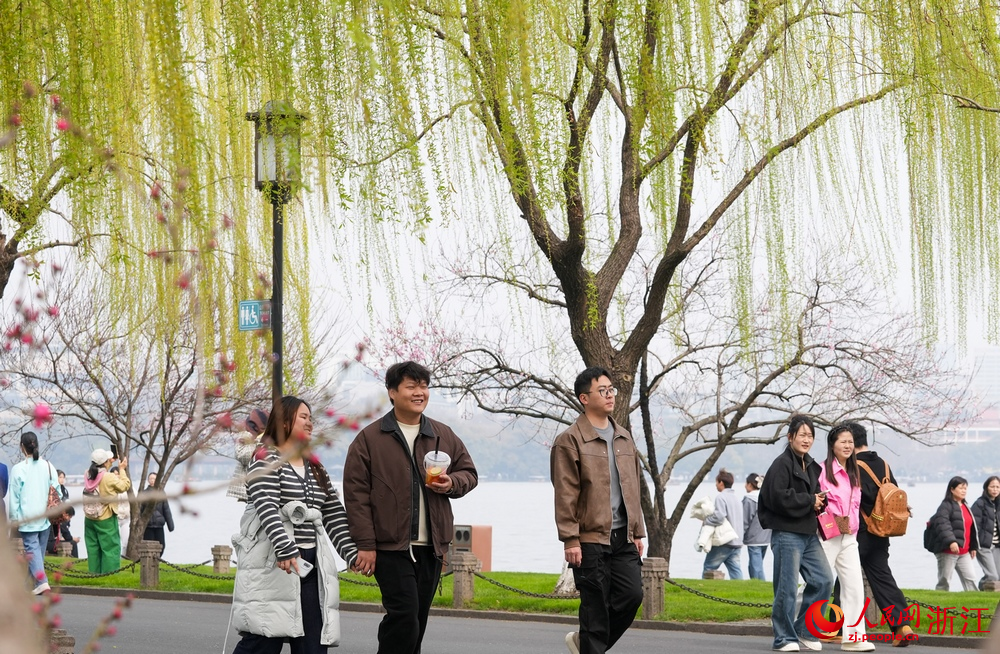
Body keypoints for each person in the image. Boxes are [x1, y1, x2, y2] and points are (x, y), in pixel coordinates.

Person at [344, 361, 479, 654]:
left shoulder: (441, 434)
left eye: (424, 386)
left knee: (416, 621)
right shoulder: (369, 439)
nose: (420, 392)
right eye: (411, 386)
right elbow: (355, 496)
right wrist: (365, 545)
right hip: (390, 547)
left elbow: (469, 473)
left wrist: (451, 483)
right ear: (392, 392)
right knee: (404, 616)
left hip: (431, 547)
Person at [231, 395, 358, 654]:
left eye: (311, 418)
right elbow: (266, 504)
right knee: (263, 641)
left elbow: (333, 512)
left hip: (310, 565)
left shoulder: (315, 466)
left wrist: (352, 553)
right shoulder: (265, 457)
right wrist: (284, 547)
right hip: (273, 564)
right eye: (303, 417)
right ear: (284, 421)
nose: (310, 423)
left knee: (313, 645)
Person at [550, 367, 645, 654]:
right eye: (602, 390)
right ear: (584, 398)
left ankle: (586, 644)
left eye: (611, 390)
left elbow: (633, 488)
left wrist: (638, 532)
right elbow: (565, 492)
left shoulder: (623, 437)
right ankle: (590, 643)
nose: (609, 395)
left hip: (623, 538)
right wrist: (570, 538)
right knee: (595, 608)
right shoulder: (570, 440)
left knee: (631, 596)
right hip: (589, 539)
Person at [758, 415, 834, 653]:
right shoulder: (781, 464)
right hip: (787, 533)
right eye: (802, 435)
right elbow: (776, 497)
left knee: (823, 580)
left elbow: (815, 494)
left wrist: (820, 500)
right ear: (790, 437)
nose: (806, 439)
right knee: (787, 587)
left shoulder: (811, 465)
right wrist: (809, 500)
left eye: (810, 435)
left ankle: (805, 630)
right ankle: (783, 637)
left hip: (808, 532)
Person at [849, 423, 915, 647]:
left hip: (859, 531)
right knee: (882, 577)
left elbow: (852, 500)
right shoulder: (884, 465)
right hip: (882, 531)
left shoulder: (852, 466)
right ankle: (901, 625)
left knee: (846, 577)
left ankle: (838, 627)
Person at [818, 425, 872, 652]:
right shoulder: (822, 470)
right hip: (828, 536)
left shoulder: (854, 472)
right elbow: (825, 504)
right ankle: (795, 625)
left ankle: (854, 638)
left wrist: (852, 528)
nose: (848, 446)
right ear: (832, 445)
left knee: (854, 587)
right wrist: (843, 525)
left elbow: (855, 506)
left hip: (849, 537)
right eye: (843, 442)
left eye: (850, 442)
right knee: (817, 583)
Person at [7, 431, 59, 594]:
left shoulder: (18, 469)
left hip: (27, 517)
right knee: (37, 553)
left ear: (22, 447)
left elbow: (14, 498)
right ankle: (29, 585)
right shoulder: (49, 466)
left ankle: (42, 582)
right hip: (45, 517)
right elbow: (58, 491)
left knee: (33, 551)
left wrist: (14, 518)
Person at [83, 448, 131, 573]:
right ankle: (110, 573)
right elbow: (125, 485)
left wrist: (109, 463)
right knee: (110, 547)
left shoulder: (88, 473)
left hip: (89, 517)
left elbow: (100, 473)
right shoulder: (109, 477)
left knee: (93, 547)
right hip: (105, 517)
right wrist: (122, 469)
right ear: (105, 462)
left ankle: (94, 573)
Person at [927, 476, 979, 591]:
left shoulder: (966, 506)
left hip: (964, 552)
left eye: (965, 488)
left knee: (970, 579)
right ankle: (939, 604)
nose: (964, 491)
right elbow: (942, 524)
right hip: (947, 551)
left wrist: (973, 547)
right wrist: (951, 541)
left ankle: (975, 603)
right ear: (952, 489)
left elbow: (971, 528)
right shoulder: (945, 506)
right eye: (961, 488)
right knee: (944, 581)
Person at [702, 468, 744, 579]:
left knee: (709, 567)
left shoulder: (721, 497)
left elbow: (719, 517)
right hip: (737, 541)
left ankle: (705, 590)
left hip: (725, 541)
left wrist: (706, 521)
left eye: (716, 482)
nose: (716, 485)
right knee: (735, 570)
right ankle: (739, 591)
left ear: (721, 483)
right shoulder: (736, 498)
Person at [228, 408, 269, 501]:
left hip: (263, 486)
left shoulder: (268, 438)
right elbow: (242, 456)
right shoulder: (245, 436)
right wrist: (260, 441)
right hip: (249, 488)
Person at [971, 476, 1000, 589]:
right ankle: (982, 587)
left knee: (998, 576)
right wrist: (973, 545)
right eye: (992, 486)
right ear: (986, 488)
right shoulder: (980, 503)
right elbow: (974, 527)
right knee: (992, 576)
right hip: (983, 546)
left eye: (998, 487)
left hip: (997, 546)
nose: (995, 489)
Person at [743, 472, 771, 581]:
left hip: (754, 538)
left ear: (750, 484)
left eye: (746, 483)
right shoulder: (766, 498)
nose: (745, 486)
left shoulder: (749, 499)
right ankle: (758, 583)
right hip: (766, 536)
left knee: (755, 566)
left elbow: (745, 520)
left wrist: (740, 536)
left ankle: (759, 584)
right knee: (757, 564)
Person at [142, 473, 174, 555]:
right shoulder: (144, 493)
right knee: (148, 546)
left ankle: (157, 561)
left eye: (154, 479)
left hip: (159, 524)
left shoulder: (161, 493)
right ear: (148, 480)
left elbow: (166, 509)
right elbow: (140, 510)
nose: (152, 480)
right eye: (151, 479)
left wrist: (170, 526)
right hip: (148, 525)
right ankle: (149, 563)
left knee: (161, 545)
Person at [49, 469, 70, 549]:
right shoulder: (53, 489)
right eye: (60, 477)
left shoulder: (64, 490)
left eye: (63, 477)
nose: (62, 479)